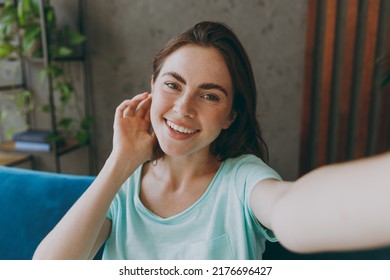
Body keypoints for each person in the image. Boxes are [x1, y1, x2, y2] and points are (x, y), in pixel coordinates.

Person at [33, 21, 390, 260]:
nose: (183, 108)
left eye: (210, 96)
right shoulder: (122, 184)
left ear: (231, 115)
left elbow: (289, 210)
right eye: (172, 85)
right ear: (152, 89)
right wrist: (119, 162)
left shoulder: (243, 180)